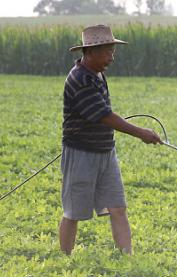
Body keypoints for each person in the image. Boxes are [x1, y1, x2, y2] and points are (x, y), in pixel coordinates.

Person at [59, 25, 161, 255]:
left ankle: (127, 256)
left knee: (118, 207)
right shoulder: (80, 79)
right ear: (91, 52)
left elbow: (103, 113)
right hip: (81, 153)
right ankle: (65, 258)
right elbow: (104, 116)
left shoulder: (97, 74)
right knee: (73, 211)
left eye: (113, 52)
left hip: (106, 151)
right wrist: (141, 133)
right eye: (108, 52)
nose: (111, 58)